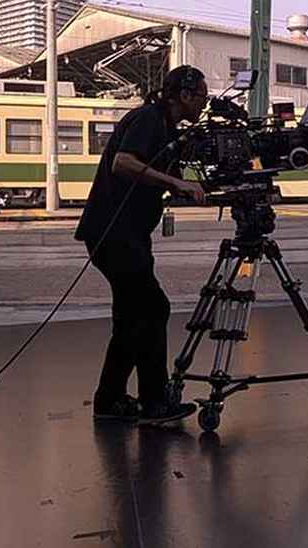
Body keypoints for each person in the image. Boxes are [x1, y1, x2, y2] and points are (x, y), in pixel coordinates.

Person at [75, 65, 209, 425]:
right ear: (184, 95)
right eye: (202, 98)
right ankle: (155, 403)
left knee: (131, 318)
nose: (203, 105)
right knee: (154, 310)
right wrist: (174, 183)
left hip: (126, 235)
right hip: (114, 234)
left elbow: (163, 176)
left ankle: (110, 399)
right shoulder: (149, 118)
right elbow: (123, 163)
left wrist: (186, 184)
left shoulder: (166, 128)